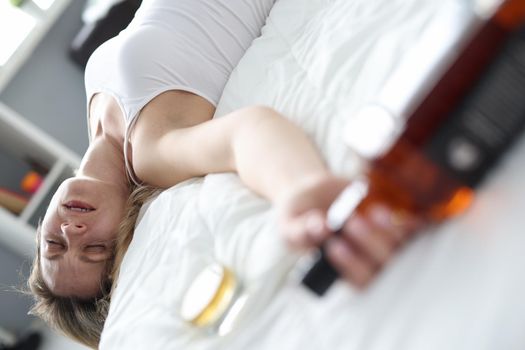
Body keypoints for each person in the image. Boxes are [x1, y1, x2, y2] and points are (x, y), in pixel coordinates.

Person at [26, 0, 418, 348]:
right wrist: (298, 188)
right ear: (122, 242)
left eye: (53, 247)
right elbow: (244, 137)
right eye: (94, 250)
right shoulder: (151, 154)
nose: (70, 234)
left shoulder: (96, 124)